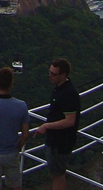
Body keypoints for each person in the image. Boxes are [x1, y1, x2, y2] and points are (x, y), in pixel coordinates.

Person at [34, 59, 80, 190]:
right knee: (57, 174)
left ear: (63, 75)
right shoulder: (59, 89)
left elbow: (70, 120)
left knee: (57, 175)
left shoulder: (68, 93)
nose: (50, 76)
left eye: (54, 74)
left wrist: (46, 126)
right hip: (57, 141)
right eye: (50, 73)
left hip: (60, 143)